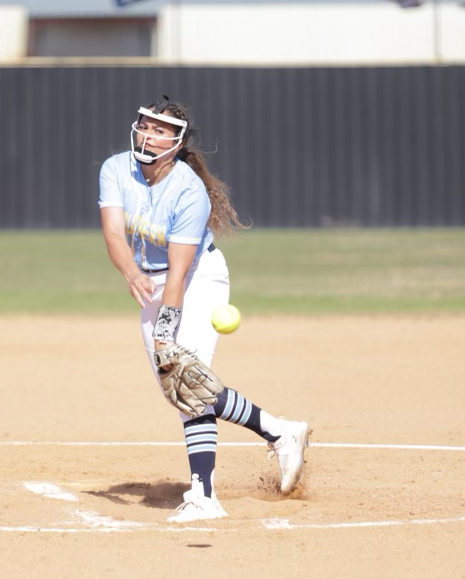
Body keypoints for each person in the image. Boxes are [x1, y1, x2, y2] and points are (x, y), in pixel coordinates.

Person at [98, 96, 310, 524]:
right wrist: (132, 274)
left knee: (186, 376)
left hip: (196, 280)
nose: (149, 134)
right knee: (176, 388)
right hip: (151, 282)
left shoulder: (189, 192)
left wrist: (166, 331)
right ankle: (279, 430)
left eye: (160, 129)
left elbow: (178, 274)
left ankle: (204, 496)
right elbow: (114, 234)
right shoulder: (115, 169)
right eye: (145, 125)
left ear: (177, 142)